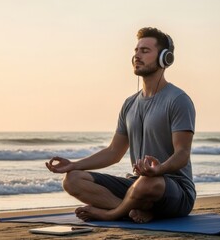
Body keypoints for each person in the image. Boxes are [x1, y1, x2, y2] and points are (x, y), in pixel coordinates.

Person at [45, 27, 196, 223]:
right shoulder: (130, 104)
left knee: (146, 184)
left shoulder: (178, 100)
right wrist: (74, 164)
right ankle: (133, 211)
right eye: (136, 51)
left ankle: (111, 213)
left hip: (175, 190)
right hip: (138, 184)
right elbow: (113, 152)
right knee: (72, 180)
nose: (136, 56)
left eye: (145, 51)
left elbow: (182, 154)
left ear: (165, 59)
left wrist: (158, 170)